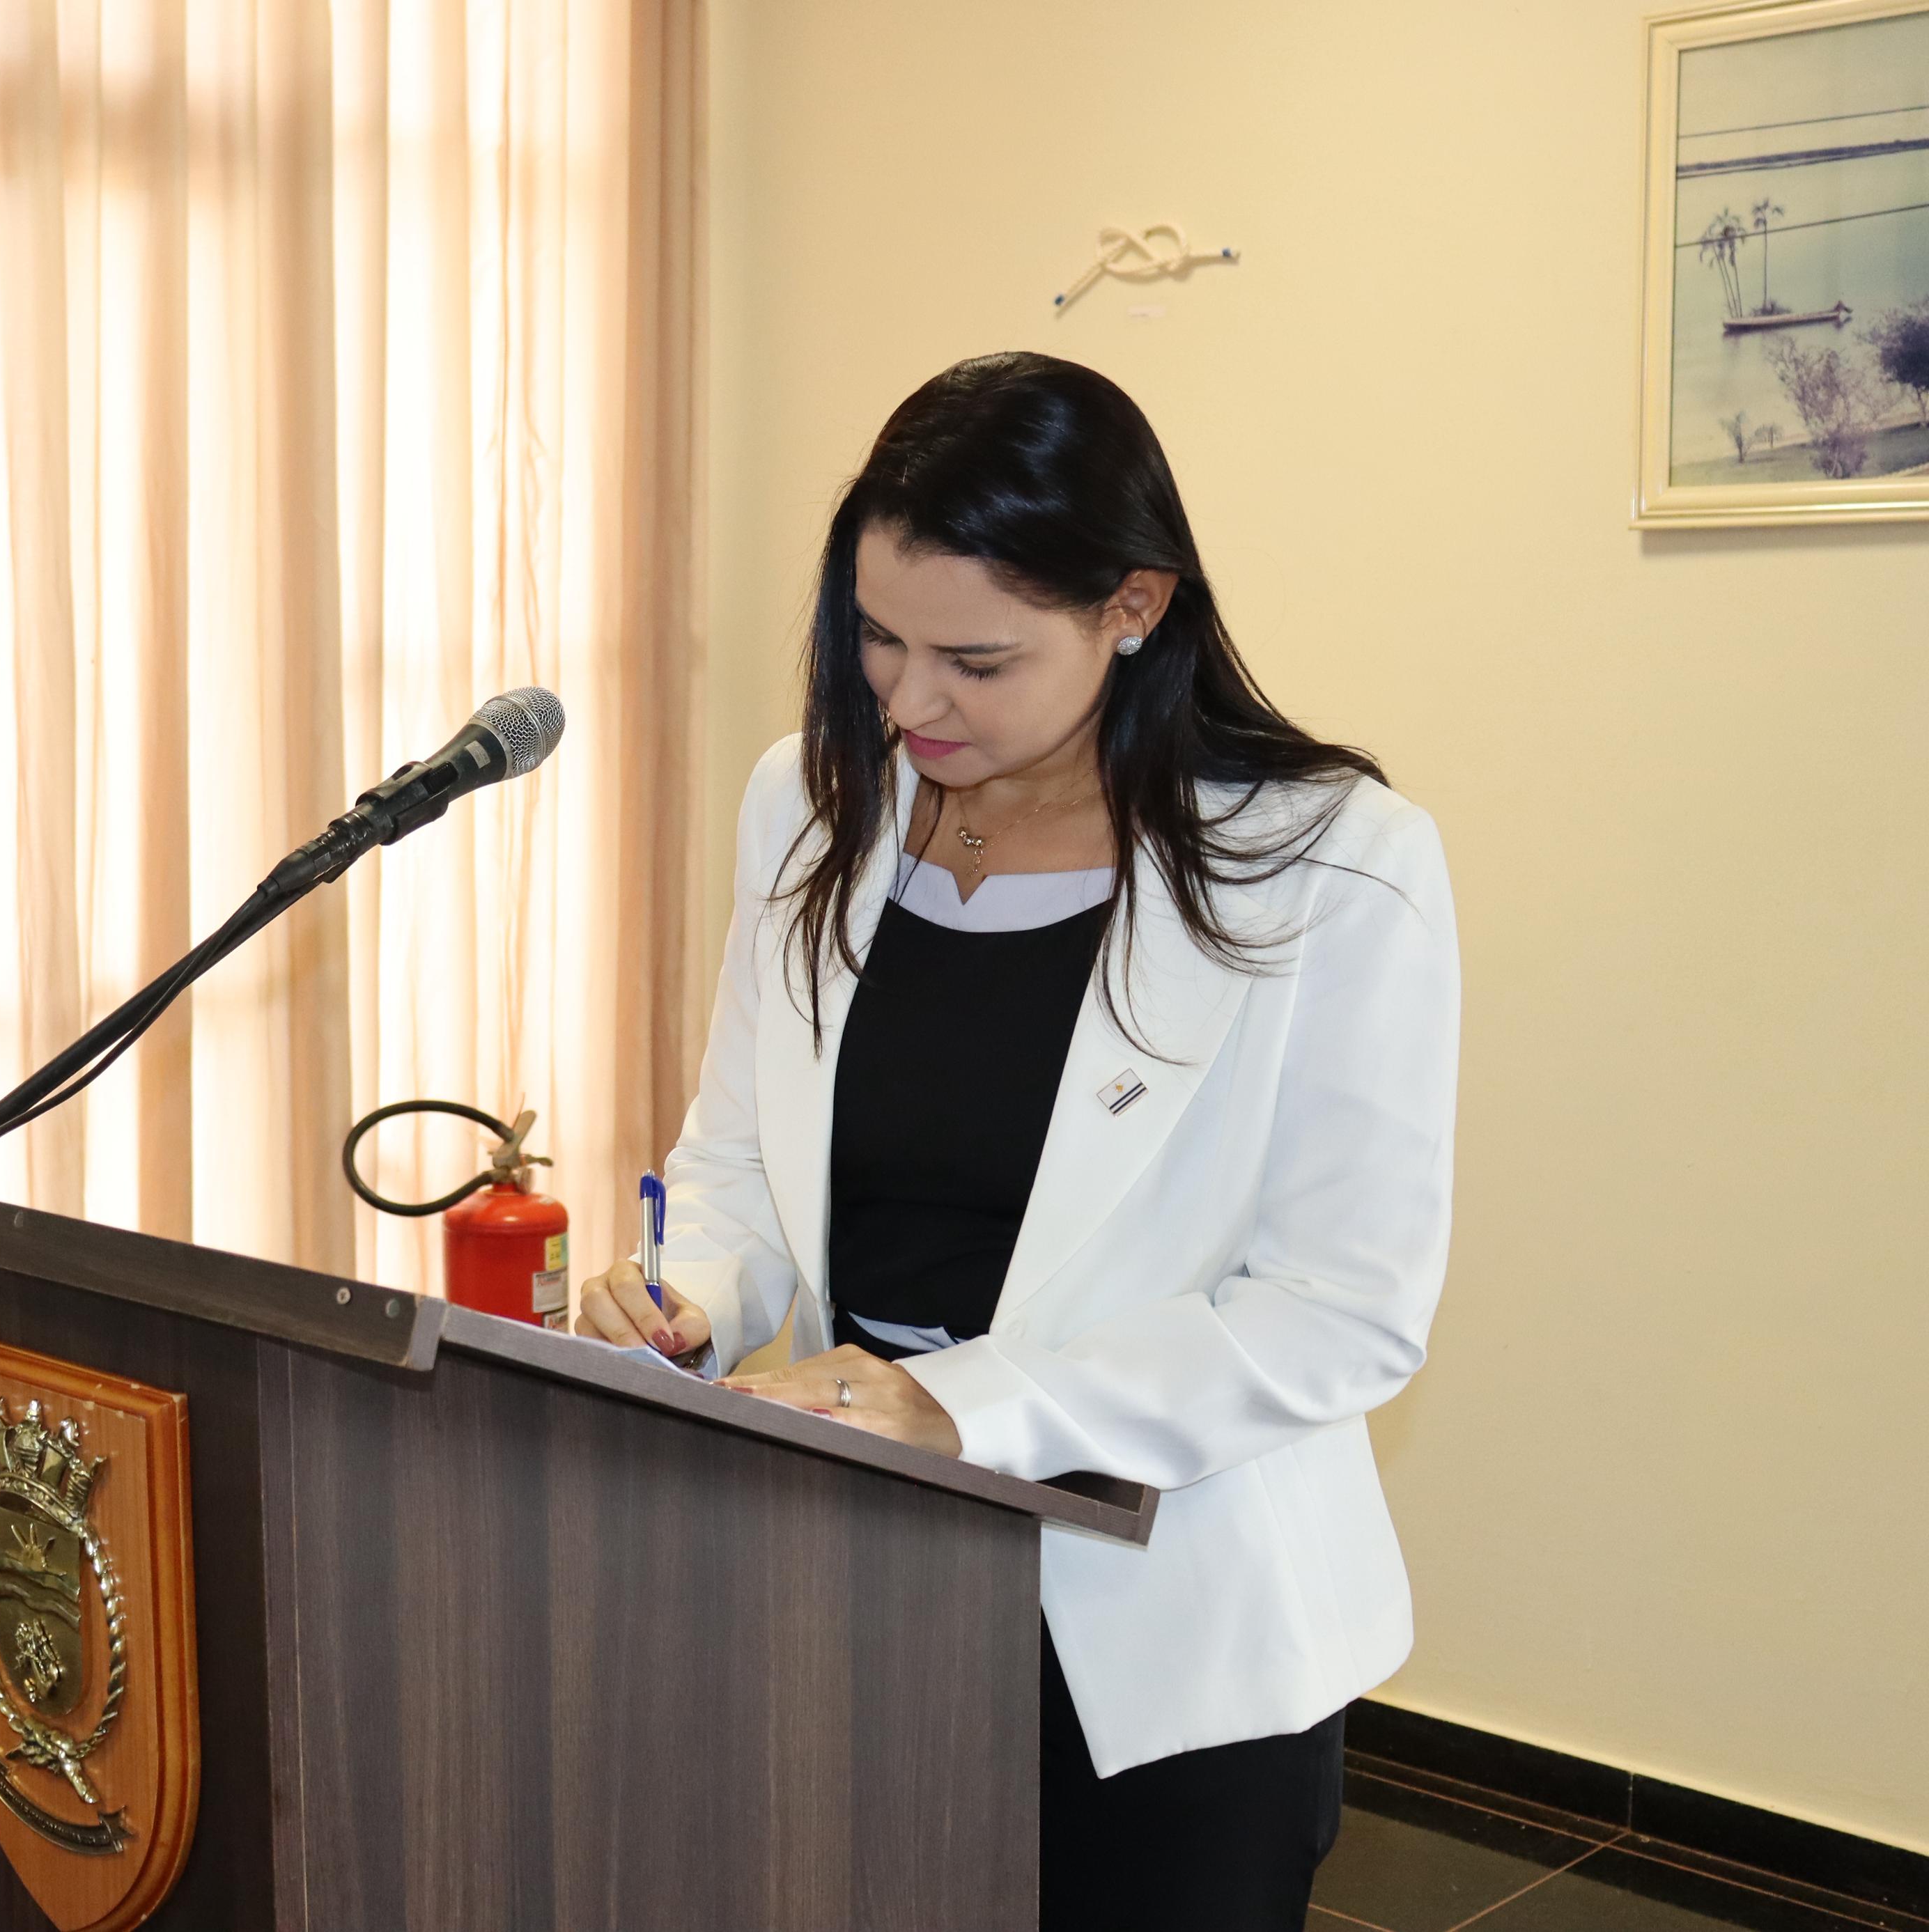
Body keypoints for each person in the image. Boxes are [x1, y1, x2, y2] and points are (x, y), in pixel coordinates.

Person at [575, 350, 1459, 1929]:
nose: (910, 700)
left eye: (975, 659)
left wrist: (966, 1404)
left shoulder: (1333, 865)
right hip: (847, 1569)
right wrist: (692, 1289)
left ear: (1133, 607)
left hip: (1165, 1616)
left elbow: (1341, 1307)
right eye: (876, 638)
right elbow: (736, 1158)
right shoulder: (811, 801)